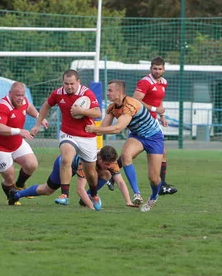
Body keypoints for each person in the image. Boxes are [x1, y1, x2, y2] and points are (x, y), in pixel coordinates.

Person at [85, 80, 165, 212]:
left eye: (110, 90)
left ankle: (154, 197)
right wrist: (86, 131)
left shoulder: (130, 105)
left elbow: (117, 128)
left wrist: (93, 129)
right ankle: (136, 194)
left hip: (154, 137)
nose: (107, 93)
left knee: (154, 177)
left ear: (119, 92)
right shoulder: (112, 107)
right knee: (126, 156)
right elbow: (103, 128)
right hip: (138, 136)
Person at [31, 69, 102, 210]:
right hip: (68, 133)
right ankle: (64, 195)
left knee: (91, 173)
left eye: (72, 84)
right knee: (65, 159)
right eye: (66, 83)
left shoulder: (86, 93)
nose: (69, 87)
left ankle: (94, 194)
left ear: (78, 82)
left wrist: (82, 111)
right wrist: (38, 124)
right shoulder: (58, 93)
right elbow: (46, 105)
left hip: (87, 136)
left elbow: (97, 112)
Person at [8, 145, 135, 208]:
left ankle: (90, 197)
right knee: (47, 190)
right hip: (64, 164)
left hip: (82, 166)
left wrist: (128, 201)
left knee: (106, 173)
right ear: (99, 158)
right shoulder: (86, 162)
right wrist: (92, 208)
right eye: (106, 164)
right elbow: (79, 189)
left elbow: (121, 182)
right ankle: (16, 194)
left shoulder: (110, 162)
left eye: (110, 164)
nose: (109, 166)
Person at [0, 82, 47, 204]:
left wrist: (40, 117)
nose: (20, 98)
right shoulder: (2, 106)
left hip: (16, 143)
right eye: (17, 95)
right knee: (9, 177)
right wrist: (19, 131)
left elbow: (28, 107)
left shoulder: (23, 101)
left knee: (32, 164)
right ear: (10, 94)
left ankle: (19, 186)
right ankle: (12, 195)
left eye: (22, 95)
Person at [132, 56, 177, 196]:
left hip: (153, 121)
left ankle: (162, 185)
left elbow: (159, 101)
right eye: (154, 68)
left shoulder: (163, 82)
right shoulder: (145, 82)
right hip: (142, 120)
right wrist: (154, 110)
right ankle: (111, 174)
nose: (157, 71)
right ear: (150, 68)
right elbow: (135, 100)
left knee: (162, 152)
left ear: (164, 69)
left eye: (160, 69)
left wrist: (162, 116)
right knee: (131, 154)